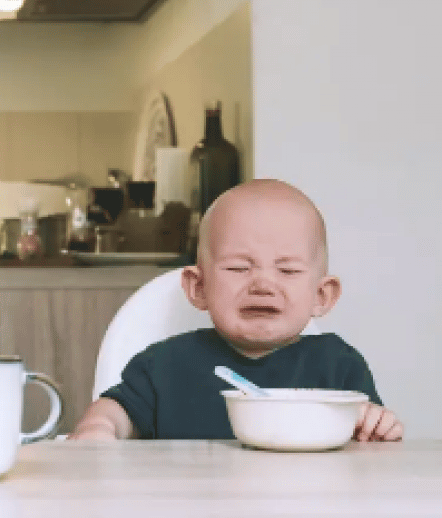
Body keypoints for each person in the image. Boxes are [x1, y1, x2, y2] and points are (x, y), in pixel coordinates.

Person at [70, 179, 403, 442]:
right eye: (238, 268)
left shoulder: (339, 368)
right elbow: (115, 413)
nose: (263, 285)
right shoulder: (163, 366)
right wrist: (98, 428)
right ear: (198, 287)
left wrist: (377, 425)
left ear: (321, 295)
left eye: (287, 271)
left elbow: (367, 443)